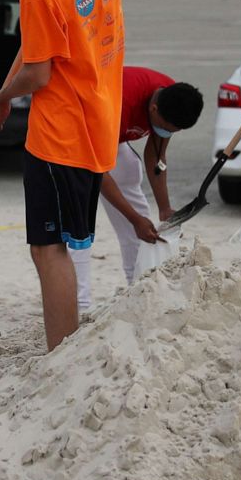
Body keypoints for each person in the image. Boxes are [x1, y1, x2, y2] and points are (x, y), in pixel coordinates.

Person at [0, 0, 139, 351]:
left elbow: (40, 73)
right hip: (96, 130)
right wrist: (8, 88)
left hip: (58, 136)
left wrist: (2, 96)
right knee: (66, 246)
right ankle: (66, 347)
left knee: (47, 250)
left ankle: (59, 354)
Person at [70, 68, 203, 307]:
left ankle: (140, 287)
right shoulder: (117, 102)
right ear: (153, 109)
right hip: (76, 136)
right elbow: (98, 172)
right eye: (167, 128)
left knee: (132, 176)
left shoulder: (172, 99)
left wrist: (164, 208)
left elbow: (157, 155)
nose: (168, 134)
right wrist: (133, 218)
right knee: (78, 224)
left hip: (110, 137)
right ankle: (79, 306)